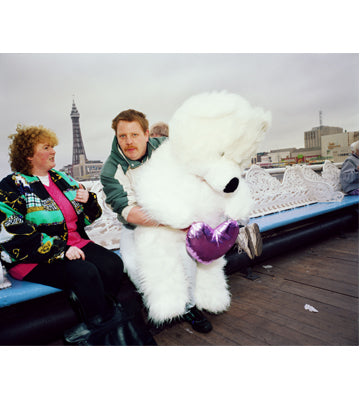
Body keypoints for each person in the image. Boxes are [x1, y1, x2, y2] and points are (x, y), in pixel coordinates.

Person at [100, 109, 262, 334]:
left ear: (147, 134)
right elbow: (130, 213)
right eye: (122, 136)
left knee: (186, 254)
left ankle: (190, 307)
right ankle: (161, 306)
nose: (128, 142)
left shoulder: (166, 147)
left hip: (181, 216)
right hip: (141, 225)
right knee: (131, 263)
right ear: (116, 137)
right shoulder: (111, 169)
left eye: (134, 135)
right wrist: (174, 221)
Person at [0, 124, 155, 346]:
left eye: (52, 146)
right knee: (85, 272)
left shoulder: (62, 179)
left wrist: (88, 201)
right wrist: (60, 250)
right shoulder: (12, 187)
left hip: (75, 243)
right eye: (46, 147)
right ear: (28, 155)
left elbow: (88, 218)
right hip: (33, 257)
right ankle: (107, 336)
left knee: (112, 263)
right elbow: (11, 232)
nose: (53, 151)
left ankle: (101, 320)